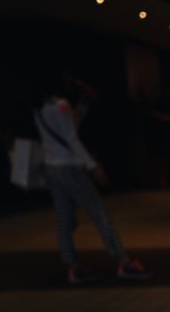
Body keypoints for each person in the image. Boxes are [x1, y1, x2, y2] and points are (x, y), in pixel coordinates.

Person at [34, 74, 151, 285]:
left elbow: (69, 126)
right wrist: (94, 166)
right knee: (99, 214)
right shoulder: (61, 104)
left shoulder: (39, 106)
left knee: (64, 220)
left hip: (51, 169)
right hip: (70, 169)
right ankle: (124, 262)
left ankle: (72, 268)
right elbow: (71, 137)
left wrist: (83, 104)